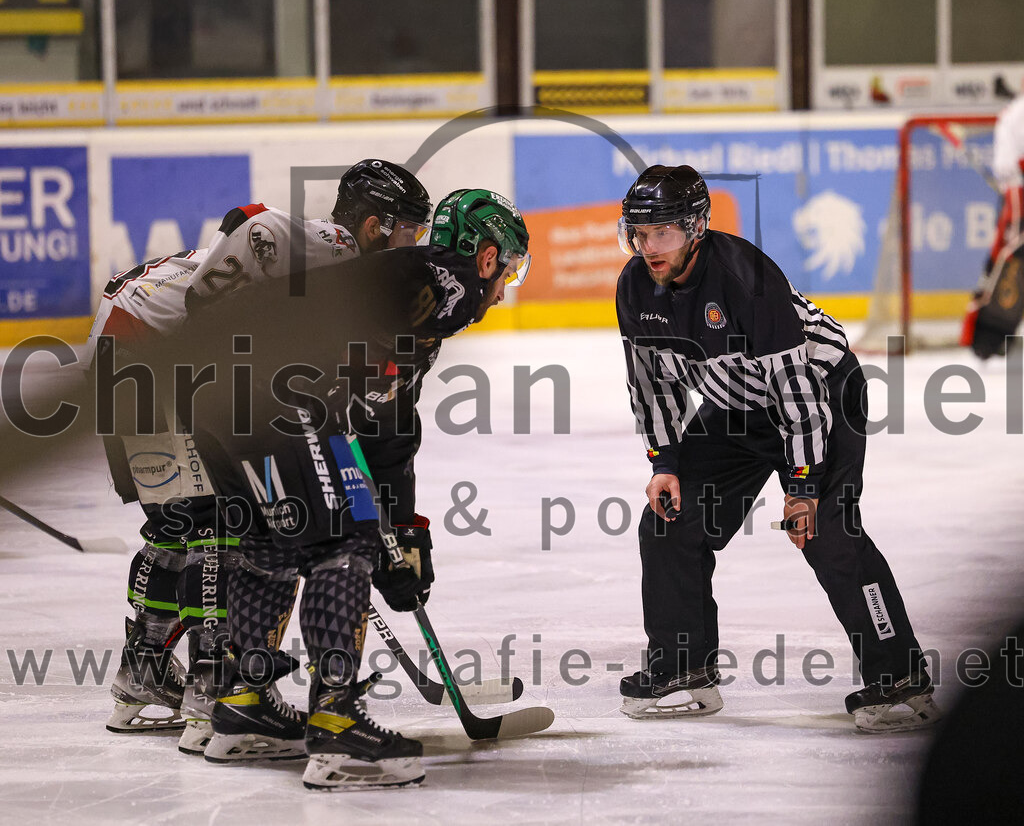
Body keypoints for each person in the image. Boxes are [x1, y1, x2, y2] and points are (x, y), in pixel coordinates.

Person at [170, 189, 529, 789]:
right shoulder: (452, 280)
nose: (500, 290)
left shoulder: (408, 284)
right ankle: (336, 724)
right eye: (507, 271)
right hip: (275, 391)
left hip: (214, 389)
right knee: (344, 541)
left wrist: (403, 527)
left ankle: (245, 707)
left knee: (273, 546)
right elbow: (362, 414)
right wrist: (382, 534)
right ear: (487, 256)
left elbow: (382, 429)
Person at [89, 160, 431, 755]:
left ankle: (143, 672)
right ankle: (212, 691)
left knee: (180, 522)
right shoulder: (336, 250)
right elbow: (253, 225)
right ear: (377, 226)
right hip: (154, 358)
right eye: (411, 234)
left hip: (122, 345)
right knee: (226, 525)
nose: (416, 253)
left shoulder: (328, 264)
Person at [614, 164, 939, 733]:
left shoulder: (744, 278)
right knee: (669, 519)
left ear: (695, 227)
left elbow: (798, 394)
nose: (647, 248)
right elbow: (651, 384)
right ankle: (684, 669)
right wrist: (664, 463)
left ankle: (900, 676)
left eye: (660, 232)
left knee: (828, 533)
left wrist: (804, 487)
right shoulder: (635, 287)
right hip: (737, 408)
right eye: (637, 234)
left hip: (823, 395)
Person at [961, 94, 1024, 358]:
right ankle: (987, 336)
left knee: (1007, 253)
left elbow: (1005, 166)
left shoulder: (1012, 113)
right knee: (1010, 255)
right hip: (1017, 190)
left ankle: (988, 336)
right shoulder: (1015, 113)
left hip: (1015, 190)